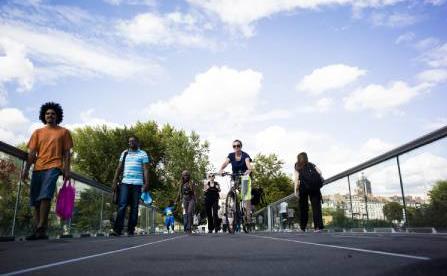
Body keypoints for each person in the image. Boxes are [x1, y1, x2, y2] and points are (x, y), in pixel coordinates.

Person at [21, 102, 73, 240]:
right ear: (44, 116)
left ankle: (41, 226)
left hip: (54, 166)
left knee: (45, 195)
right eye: (47, 113)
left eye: (53, 113)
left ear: (57, 116)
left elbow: (67, 153)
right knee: (35, 199)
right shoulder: (37, 132)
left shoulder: (64, 132)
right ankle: (39, 231)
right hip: (38, 167)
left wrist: (67, 169)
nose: (50, 115)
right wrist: (26, 169)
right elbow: (32, 153)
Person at [111, 136, 150, 236]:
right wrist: (114, 181)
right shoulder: (124, 153)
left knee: (134, 207)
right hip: (125, 183)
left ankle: (130, 229)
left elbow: (146, 169)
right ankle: (117, 230)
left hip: (137, 184)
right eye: (129, 141)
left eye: (133, 141)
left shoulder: (143, 154)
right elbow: (119, 167)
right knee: (122, 205)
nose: (131, 143)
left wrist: (146, 183)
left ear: (137, 142)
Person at [219, 139, 253, 232]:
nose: (236, 148)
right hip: (235, 176)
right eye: (234, 146)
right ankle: (232, 202)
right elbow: (226, 163)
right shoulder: (231, 155)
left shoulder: (245, 155)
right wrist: (221, 169)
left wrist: (248, 170)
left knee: (246, 198)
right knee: (232, 190)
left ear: (241, 147)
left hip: (245, 176)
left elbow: (249, 165)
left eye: (238, 146)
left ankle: (248, 217)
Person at [294, 152, 324, 232]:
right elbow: (320, 172)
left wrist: (296, 191)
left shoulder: (297, 166)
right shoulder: (311, 164)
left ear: (298, 159)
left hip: (303, 188)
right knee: (316, 207)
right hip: (314, 188)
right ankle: (318, 227)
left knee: (303, 208)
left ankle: (302, 227)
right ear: (306, 158)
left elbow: (296, 179)